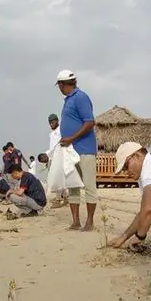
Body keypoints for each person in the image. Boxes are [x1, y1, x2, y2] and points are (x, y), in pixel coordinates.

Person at [56, 69, 98, 231]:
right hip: (71, 151)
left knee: (88, 185)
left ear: (61, 84)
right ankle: (75, 221)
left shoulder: (80, 97)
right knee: (72, 185)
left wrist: (72, 138)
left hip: (84, 149)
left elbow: (89, 122)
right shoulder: (68, 100)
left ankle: (90, 222)